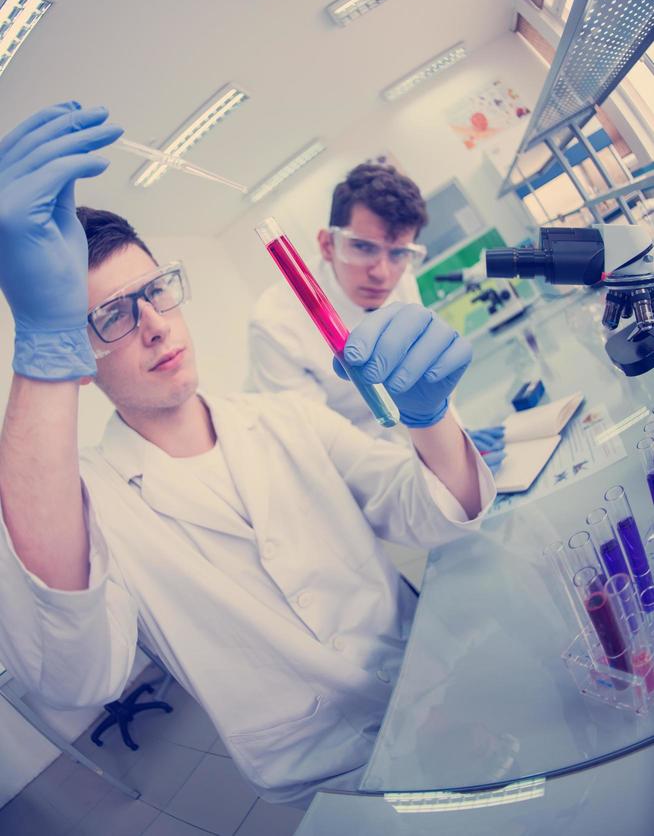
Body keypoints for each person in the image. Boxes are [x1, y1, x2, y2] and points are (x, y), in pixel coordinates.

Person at [0, 103, 495, 807]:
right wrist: (42, 346)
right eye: (112, 315)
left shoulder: (286, 418)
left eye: (155, 294)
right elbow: (73, 675)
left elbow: (436, 513)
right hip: (323, 777)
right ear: (76, 357)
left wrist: (431, 418)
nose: (153, 326)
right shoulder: (87, 507)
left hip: (435, 685)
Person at [248, 160, 506, 469]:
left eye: (398, 254)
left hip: (402, 439)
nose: (382, 273)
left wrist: (451, 438)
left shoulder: (404, 280)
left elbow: (422, 382)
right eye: (363, 248)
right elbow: (319, 444)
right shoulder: (274, 323)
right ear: (327, 245)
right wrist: (430, 461)